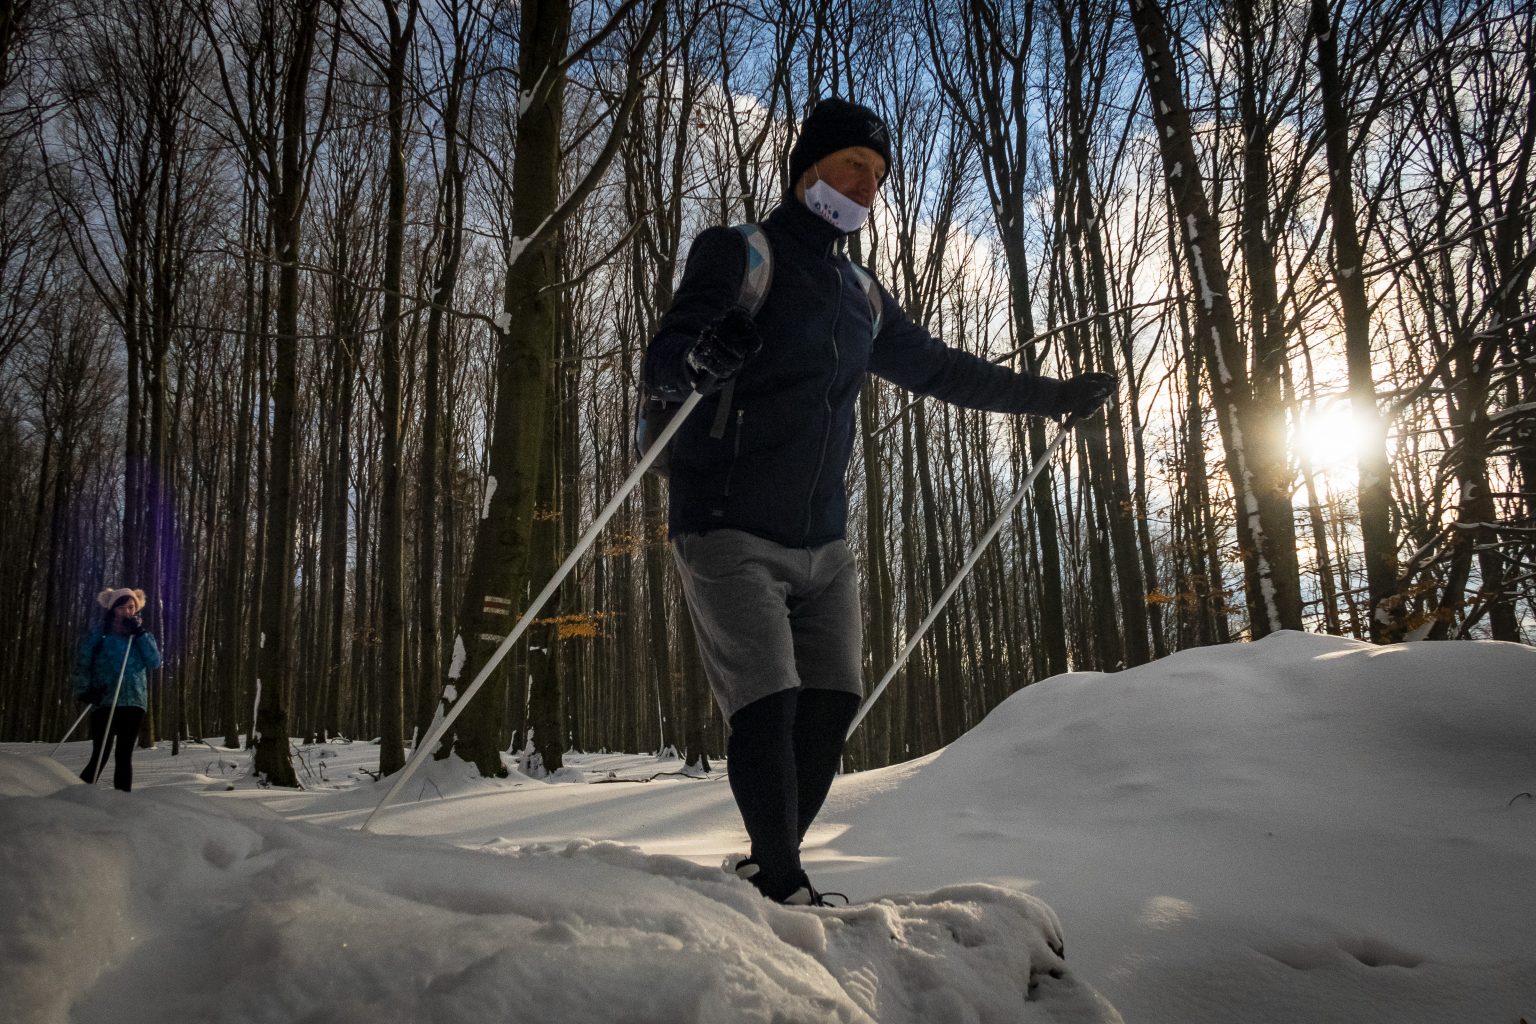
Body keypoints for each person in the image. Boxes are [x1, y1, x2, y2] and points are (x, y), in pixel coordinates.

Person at [642, 98, 1115, 905]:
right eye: (852, 166)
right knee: (768, 698)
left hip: (824, 537)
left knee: (832, 705)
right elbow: (669, 354)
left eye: (878, 175)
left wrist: (1053, 398)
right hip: (725, 517)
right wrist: (698, 358)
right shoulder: (740, 251)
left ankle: (767, 868)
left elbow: (945, 370)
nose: (866, 186)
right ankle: (784, 880)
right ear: (809, 170)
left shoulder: (862, 292)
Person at [73, 587, 162, 791]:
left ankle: (122, 806)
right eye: (122, 608)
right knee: (100, 753)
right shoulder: (100, 633)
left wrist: (139, 634)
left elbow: (154, 661)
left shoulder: (141, 635)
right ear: (113, 609)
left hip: (133, 701)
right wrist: (85, 690)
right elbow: (82, 662)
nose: (127, 612)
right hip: (105, 699)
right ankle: (76, 797)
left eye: (131, 607)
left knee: (124, 755)